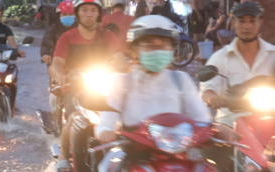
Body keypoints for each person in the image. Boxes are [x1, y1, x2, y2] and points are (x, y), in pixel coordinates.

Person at [96, 15, 211, 145]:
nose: (158, 51)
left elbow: (202, 119)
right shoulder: (121, 82)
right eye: (150, 46)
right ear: (135, 50)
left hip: (178, 155)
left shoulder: (180, 80)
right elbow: (107, 122)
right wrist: (106, 131)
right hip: (134, 155)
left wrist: (216, 129)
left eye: (164, 46)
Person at [50, 0, 126, 172]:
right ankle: (63, 155)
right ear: (78, 14)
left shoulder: (108, 36)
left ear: (99, 14)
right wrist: (60, 75)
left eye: (93, 10)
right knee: (73, 114)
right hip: (76, 87)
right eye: (84, 10)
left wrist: (127, 71)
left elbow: (121, 61)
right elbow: (57, 64)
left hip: (107, 86)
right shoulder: (67, 37)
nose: (89, 14)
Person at [201, 2, 275, 131]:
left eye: (252, 21)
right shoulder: (220, 57)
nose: (247, 26)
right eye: (242, 21)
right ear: (233, 22)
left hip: (269, 124)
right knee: (210, 145)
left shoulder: (273, 54)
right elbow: (207, 87)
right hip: (230, 125)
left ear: (260, 22)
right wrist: (212, 97)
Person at [40, 1, 76, 116]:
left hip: (79, 67)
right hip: (58, 66)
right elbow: (46, 43)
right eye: (64, 15)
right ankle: (56, 117)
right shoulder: (53, 29)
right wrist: (45, 54)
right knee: (55, 93)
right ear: (58, 16)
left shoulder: (82, 30)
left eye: (71, 15)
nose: (67, 18)